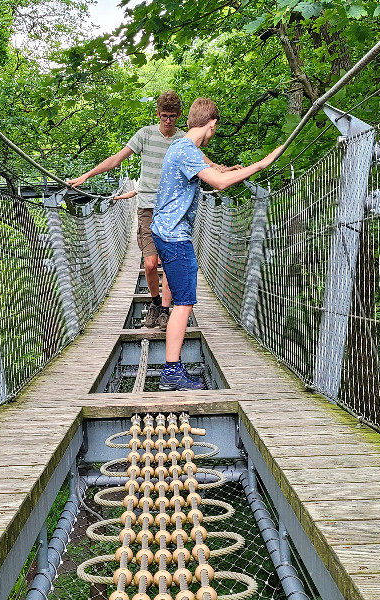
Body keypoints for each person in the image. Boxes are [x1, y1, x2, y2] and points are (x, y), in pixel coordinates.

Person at [68, 90, 236, 331]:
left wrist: (227, 171)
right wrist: (86, 176)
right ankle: (155, 302)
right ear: (158, 114)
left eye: (172, 116)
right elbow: (116, 159)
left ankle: (165, 310)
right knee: (150, 263)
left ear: (179, 116)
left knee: (168, 262)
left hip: (172, 211)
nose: (168, 120)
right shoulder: (144, 135)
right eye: (164, 116)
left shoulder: (184, 140)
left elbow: (209, 166)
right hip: (147, 207)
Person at [151, 98, 283, 390]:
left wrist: (226, 170)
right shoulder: (187, 150)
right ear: (211, 125)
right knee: (184, 304)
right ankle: (171, 372)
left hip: (164, 232)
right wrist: (262, 164)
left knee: (181, 300)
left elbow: (212, 173)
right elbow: (219, 184)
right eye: (214, 129)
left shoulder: (181, 147)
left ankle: (172, 370)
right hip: (174, 236)